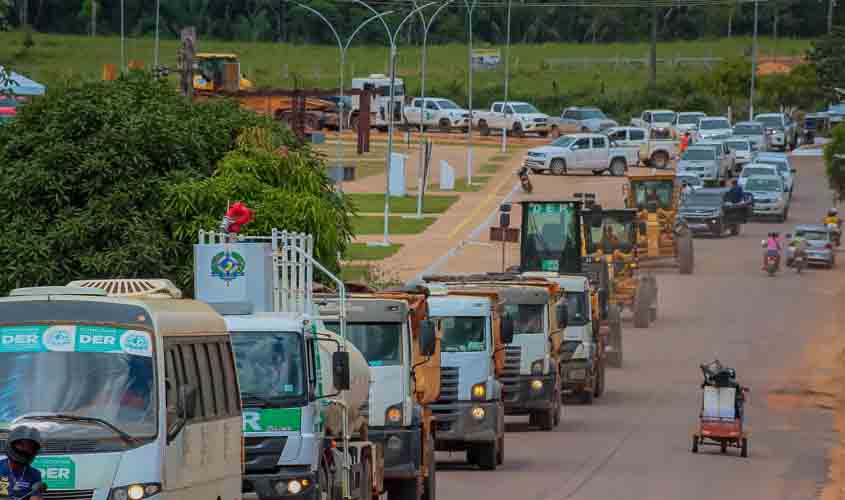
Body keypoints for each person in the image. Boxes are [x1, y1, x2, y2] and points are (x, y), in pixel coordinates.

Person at [0, 425, 44, 500]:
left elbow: (35, 497)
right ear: (12, 444)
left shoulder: (35, 474)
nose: (26, 449)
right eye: (22, 445)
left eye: (30, 446)